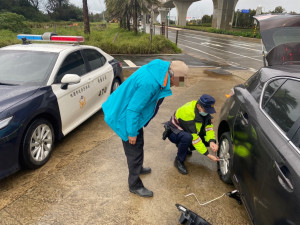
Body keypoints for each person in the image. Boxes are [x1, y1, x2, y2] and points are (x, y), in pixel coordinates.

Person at [102, 59, 188, 197]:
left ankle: (139, 168)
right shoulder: (150, 83)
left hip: (131, 116)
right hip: (124, 116)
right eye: (175, 82)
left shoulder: (160, 71)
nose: (174, 85)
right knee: (134, 149)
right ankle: (134, 185)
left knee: (139, 142)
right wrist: (131, 133)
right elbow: (133, 110)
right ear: (170, 74)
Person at [163, 94, 219, 175]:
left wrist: (211, 141)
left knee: (207, 141)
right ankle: (179, 160)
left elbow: (209, 127)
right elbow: (194, 138)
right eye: (206, 111)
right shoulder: (187, 113)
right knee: (187, 137)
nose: (207, 113)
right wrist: (207, 154)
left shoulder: (203, 110)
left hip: (189, 131)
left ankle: (185, 147)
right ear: (199, 106)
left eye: (209, 111)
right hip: (174, 132)